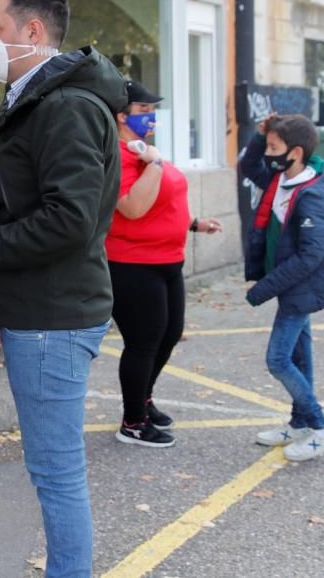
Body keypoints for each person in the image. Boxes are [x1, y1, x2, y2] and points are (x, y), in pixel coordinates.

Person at [0, 0, 126, 577]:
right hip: (40, 312)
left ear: (32, 32)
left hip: (52, 319)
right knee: (53, 468)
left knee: (55, 470)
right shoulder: (40, 100)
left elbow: (68, 221)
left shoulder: (65, 106)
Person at [105, 80, 223, 448]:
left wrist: (192, 224)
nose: (151, 117)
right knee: (143, 342)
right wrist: (153, 162)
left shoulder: (143, 151)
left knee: (169, 335)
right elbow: (133, 208)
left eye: (153, 111)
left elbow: (162, 200)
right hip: (132, 263)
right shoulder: (118, 157)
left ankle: (144, 398)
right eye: (144, 111)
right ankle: (133, 423)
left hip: (168, 259)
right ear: (122, 116)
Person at [239, 114, 324, 462]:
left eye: (273, 147)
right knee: (300, 356)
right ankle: (301, 424)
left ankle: (321, 427)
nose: (267, 154)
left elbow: (310, 256)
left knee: (278, 359)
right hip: (290, 283)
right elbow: (247, 165)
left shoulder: (310, 195)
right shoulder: (278, 177)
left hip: (302, 287)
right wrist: (259, 136)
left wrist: (263, 288)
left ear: (295, 152)